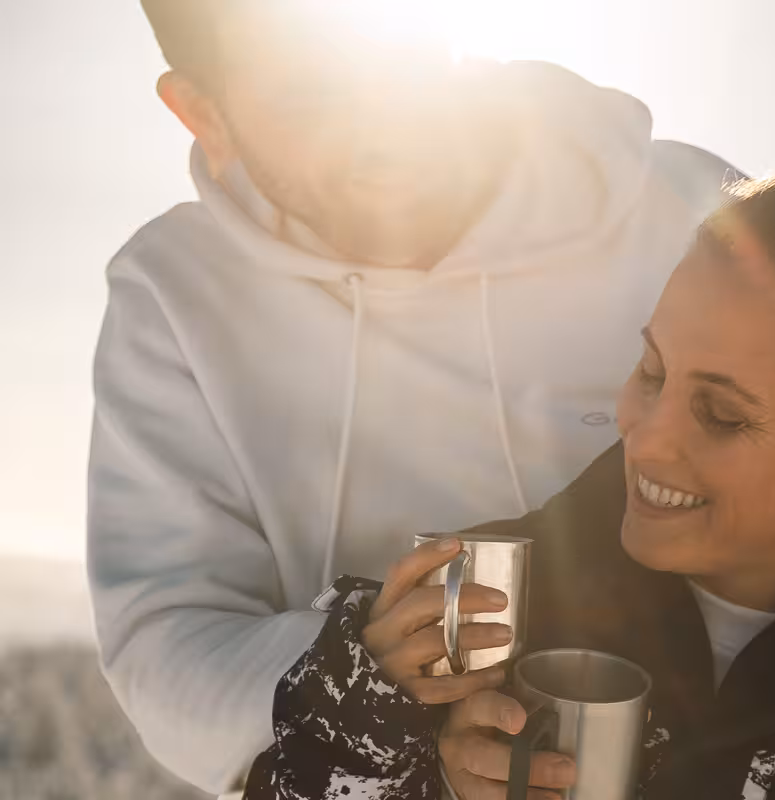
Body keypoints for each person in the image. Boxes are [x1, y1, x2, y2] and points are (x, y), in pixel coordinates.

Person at [243, 170, 775, 800]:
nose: (643, 435)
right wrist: (387, 734)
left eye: (722, 416)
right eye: (651, 370)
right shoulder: (486, 616)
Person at [86, 1, 736, 795]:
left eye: (403, 70)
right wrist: (362, 675)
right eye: (309, 96)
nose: (383, 129)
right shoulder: (178, 294)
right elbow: (167, 643)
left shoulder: (689, 207)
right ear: (205, 115)